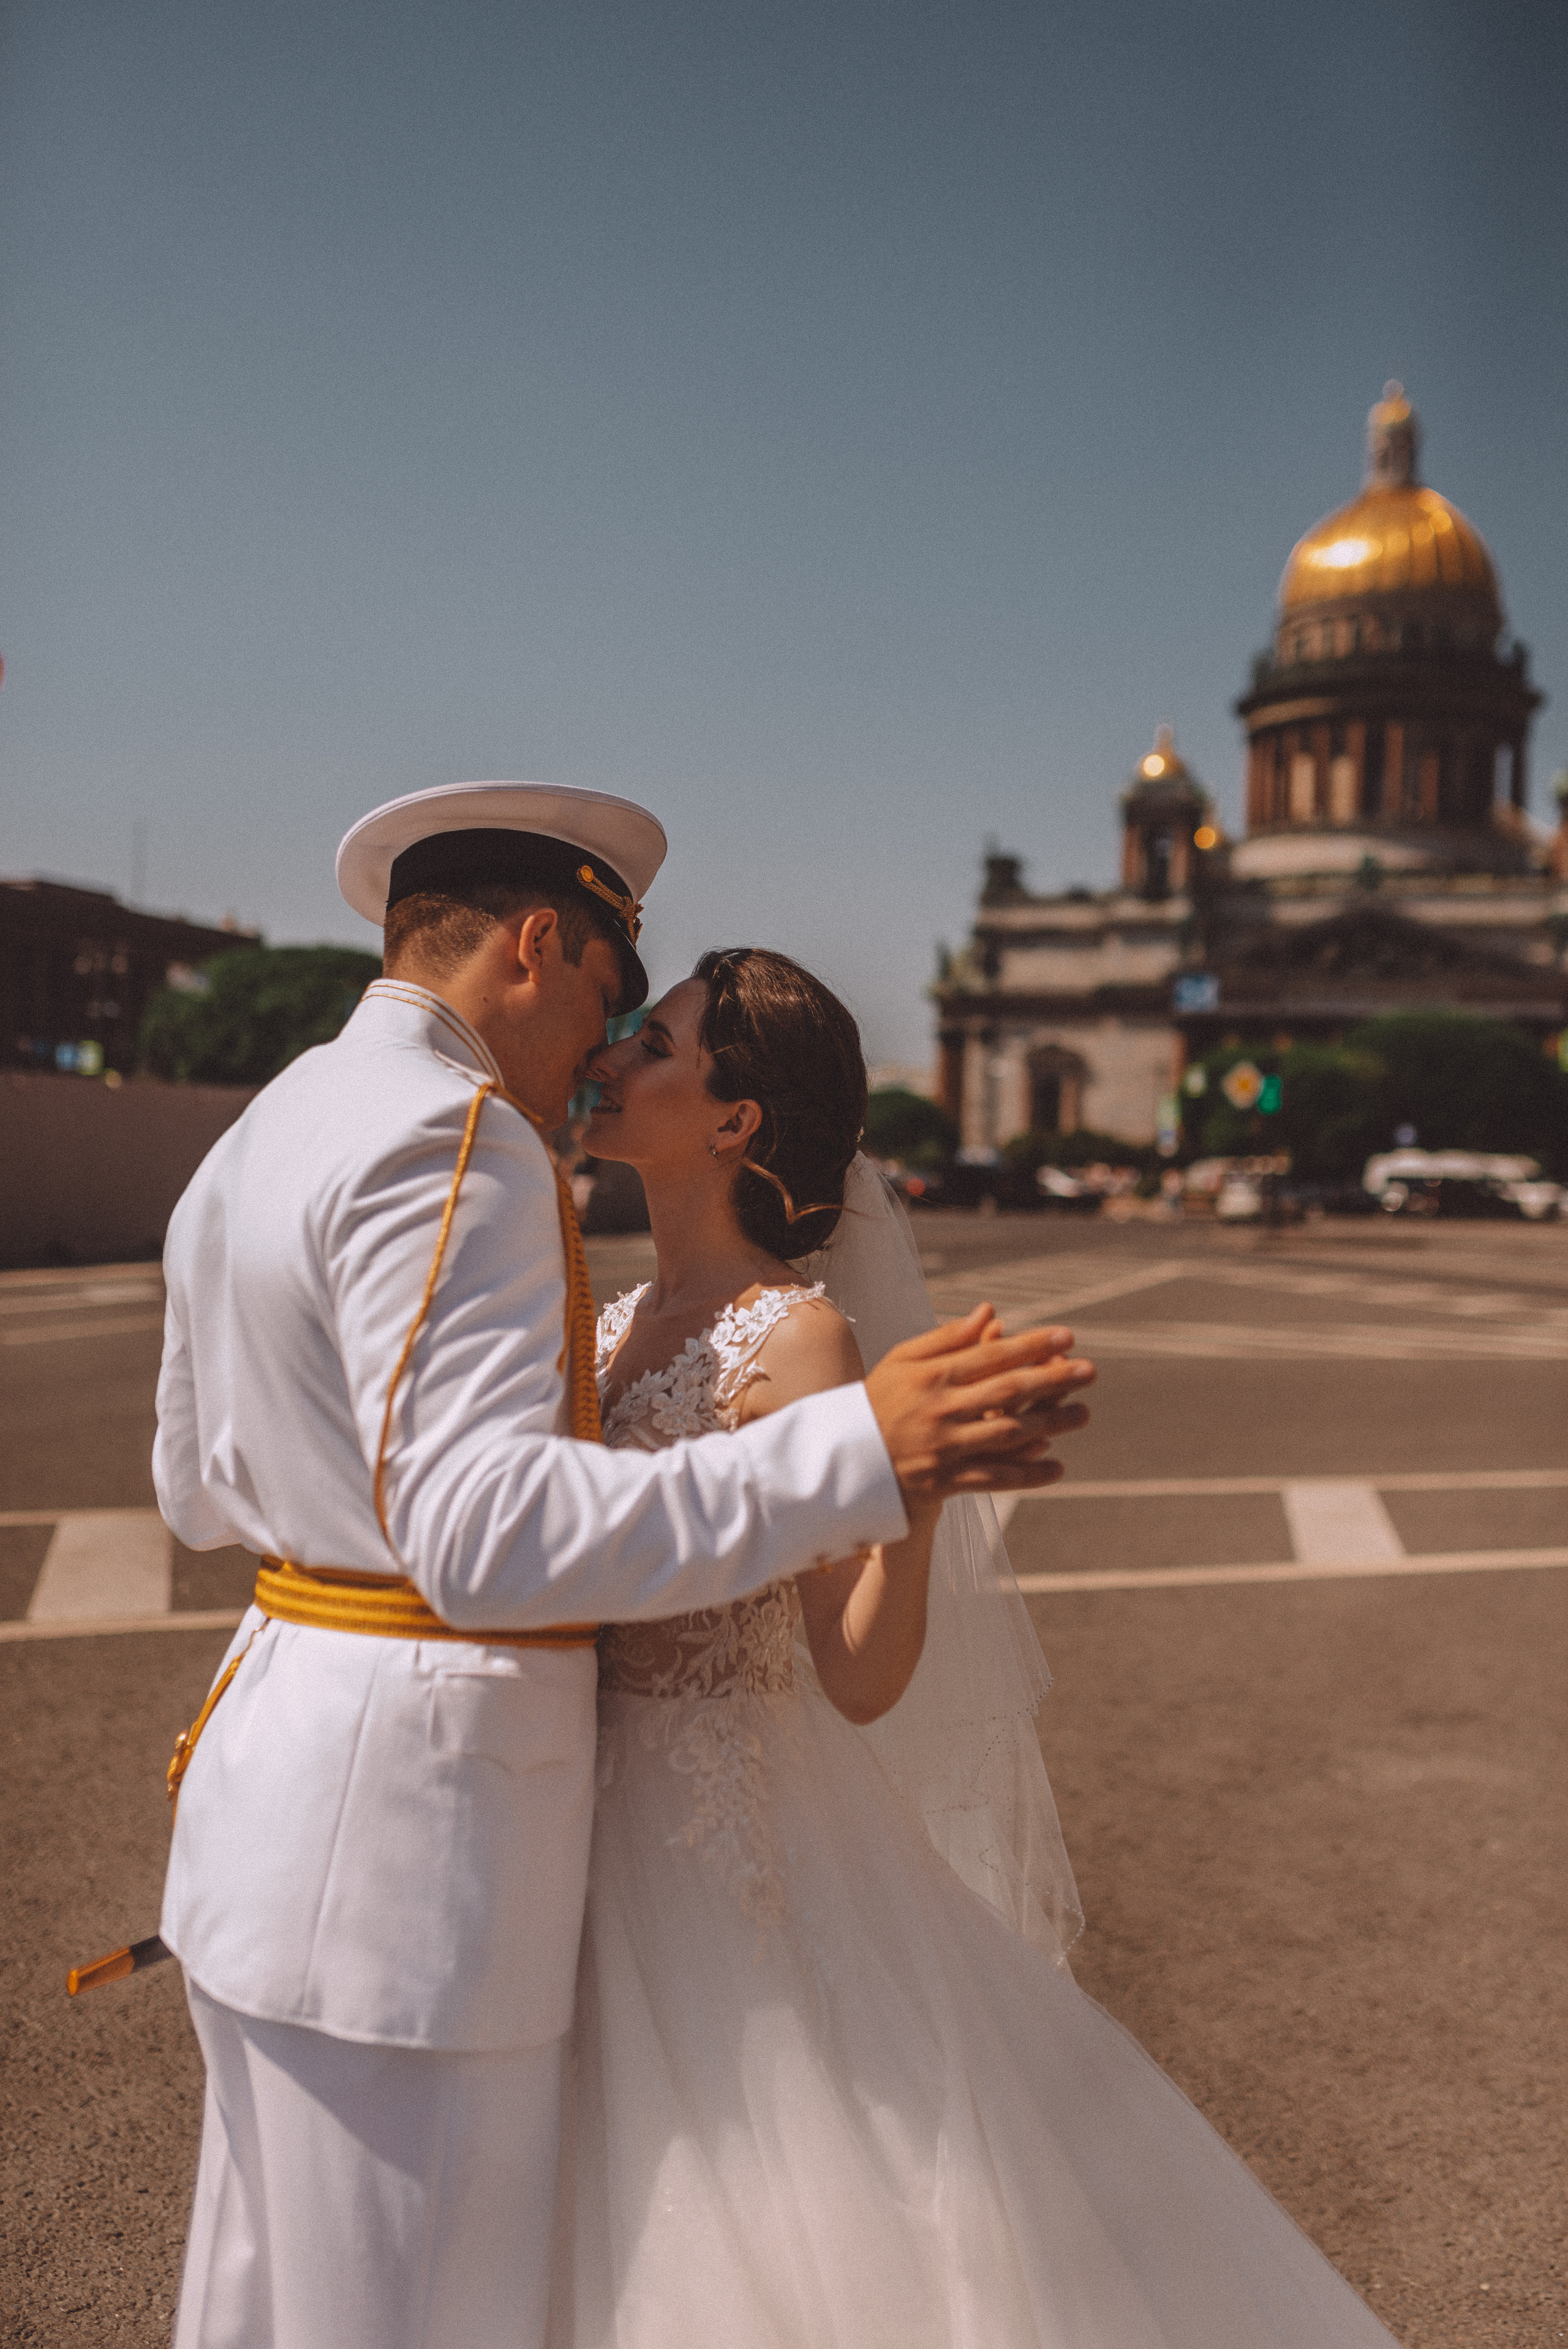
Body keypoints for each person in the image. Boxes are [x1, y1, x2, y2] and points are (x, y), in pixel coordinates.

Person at [153, 782, 1095, 2349]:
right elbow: (479, 1537)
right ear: (537, 941)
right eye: (610, 995)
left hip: (281, 1790)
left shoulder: (272, 1121)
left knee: (269, 2299)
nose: (600, 1046)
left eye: (644, 1036)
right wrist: (862, 1456)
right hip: (413, 1857)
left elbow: (194, 1486)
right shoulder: (467, 1149)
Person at [550, 946, 1402, 2349]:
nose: (611, 1057)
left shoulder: (799, 1343)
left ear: (732, 1121)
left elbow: (858, 1677)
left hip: (725, 1846)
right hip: (576, 1820)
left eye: (654, 1044)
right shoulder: (612, 1318)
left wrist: (914, 1502)